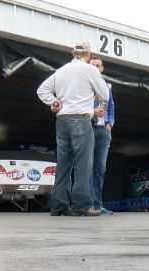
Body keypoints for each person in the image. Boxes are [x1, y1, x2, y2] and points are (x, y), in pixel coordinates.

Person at [37, 41, 110, 217]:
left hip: (62, 120)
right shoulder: (90, 70)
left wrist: (54, 102)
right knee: (83, 164)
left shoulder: (61, 71)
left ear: (72, 53)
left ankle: (59, 206)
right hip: (81, 119)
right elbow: (104, 95)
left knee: (63, 164)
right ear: (88, 55)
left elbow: (42, 90)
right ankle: (81, 207)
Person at [89, 56, 116, 216]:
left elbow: (111, 107)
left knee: (100, 169)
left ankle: (98, 205)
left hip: (103, 131)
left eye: (98, 65)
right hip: (88, 128)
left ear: (102, 69)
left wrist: (109, 125)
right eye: (92, 65)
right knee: (86, 167)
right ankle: (86, 203)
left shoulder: (107, 87)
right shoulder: (84, 85)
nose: (95, 67)